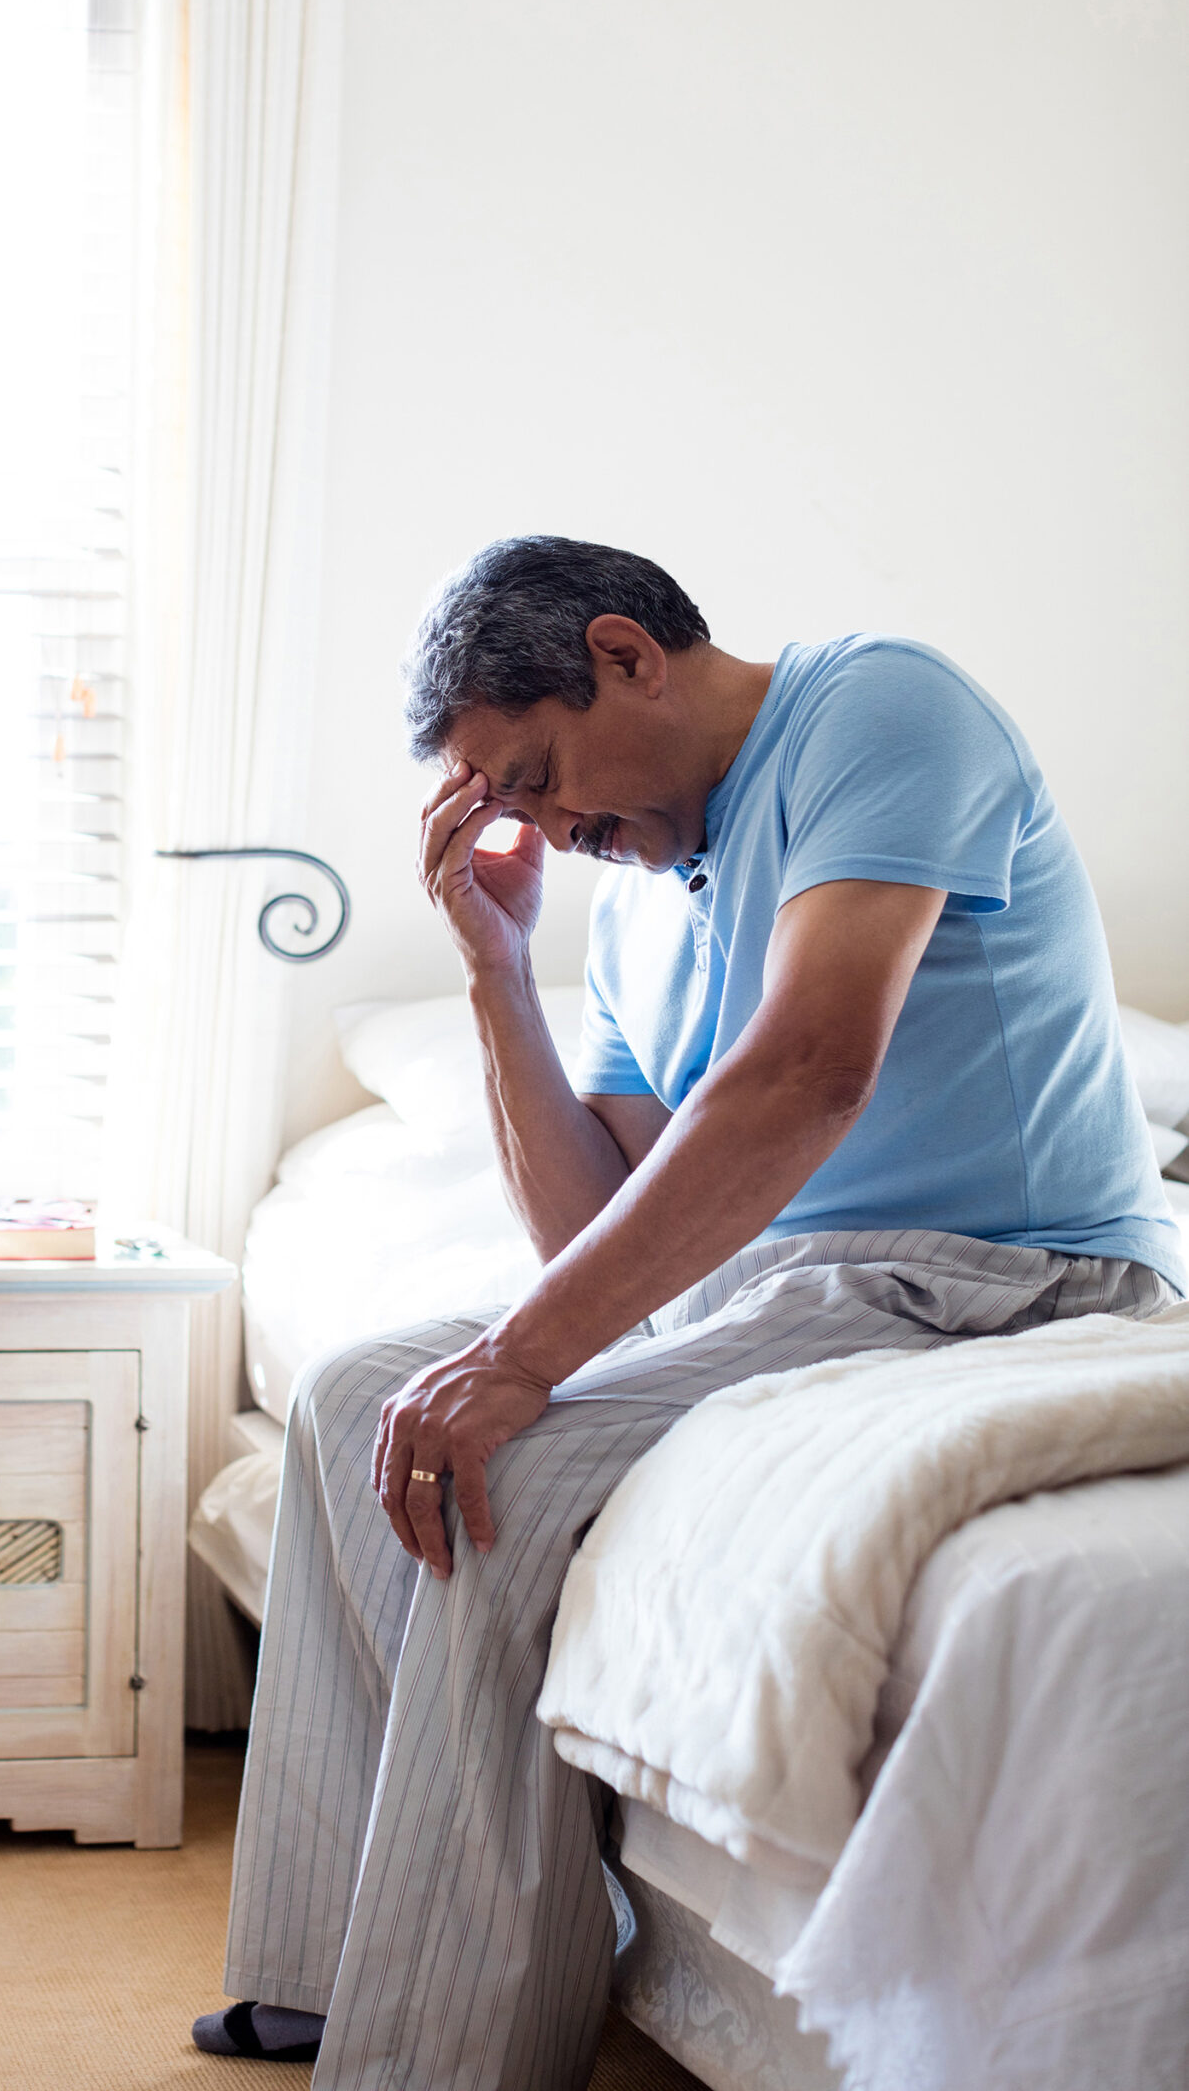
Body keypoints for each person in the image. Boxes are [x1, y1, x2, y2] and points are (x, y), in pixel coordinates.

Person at [193, 536, 1182, 2089]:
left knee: (500, 1457)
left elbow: (810, 1071)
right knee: (352, 1401)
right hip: (780, 1292)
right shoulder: (640, 888)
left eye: (537, 771)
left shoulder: (885, 712)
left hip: (998, 1276)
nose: (551, 829)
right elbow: (590, 1232)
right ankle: (323, 1972)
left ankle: (450, 2052)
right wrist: (500, 971)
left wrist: (519, 1368)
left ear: (627, 655)